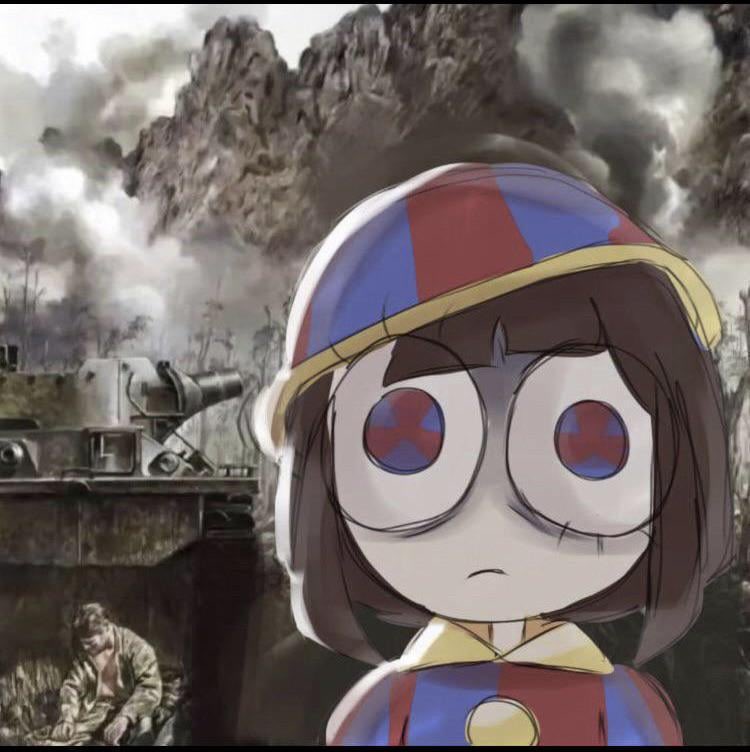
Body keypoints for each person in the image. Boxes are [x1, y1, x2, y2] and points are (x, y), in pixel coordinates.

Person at [253, 163, 735, 745]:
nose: (494, 507)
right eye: (407, 437)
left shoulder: (625, 709)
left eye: (591, 440)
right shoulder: (383, 711)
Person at [49, 603, 162, 746]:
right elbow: (71, 686)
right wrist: (67, 717)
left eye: (90, 643)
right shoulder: (86, 654)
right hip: (97, 714)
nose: (85, 648)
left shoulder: (137, 647)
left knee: (143, 733)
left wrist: (125, 716)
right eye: (83, 643)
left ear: (107, 627)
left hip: (133, 710)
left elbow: (149, 687)